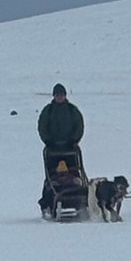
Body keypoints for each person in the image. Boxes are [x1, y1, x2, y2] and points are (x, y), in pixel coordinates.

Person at [38, 83, 85, 217]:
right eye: (57, 95)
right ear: (54, 96)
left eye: (62, 95)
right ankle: (48, 201)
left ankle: (79, 198)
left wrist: (75, 139)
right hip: (53, 149)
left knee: (74, 172)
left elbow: (79, 125)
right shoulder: (48, 111)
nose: (59, 97)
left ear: (65, 95)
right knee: (52, 174)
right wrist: (47, 140)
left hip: (70, 148)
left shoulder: (72, 110)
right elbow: (42, 126)